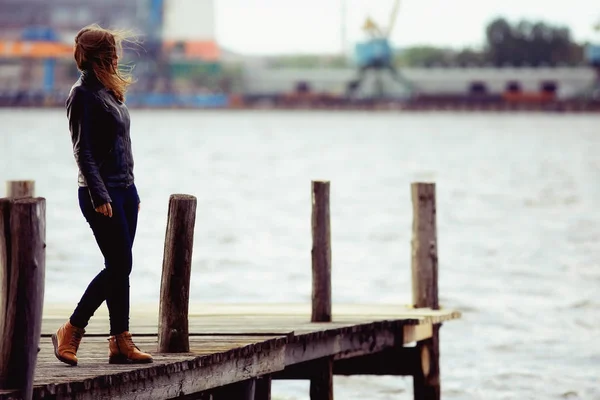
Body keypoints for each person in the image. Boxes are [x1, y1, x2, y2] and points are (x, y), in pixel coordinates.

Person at [52, 24, 152, 366]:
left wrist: (132, 190)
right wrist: (100, 194)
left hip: (124, 191)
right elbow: (84, 152)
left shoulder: (110, 92)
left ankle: (121, 342)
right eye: (112, 53)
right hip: (100, 194)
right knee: (121, 263)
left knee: (118, 266)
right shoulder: (82, 94)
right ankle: (72, 329)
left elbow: (122, 145)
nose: (117, 58)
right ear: (100, 57)